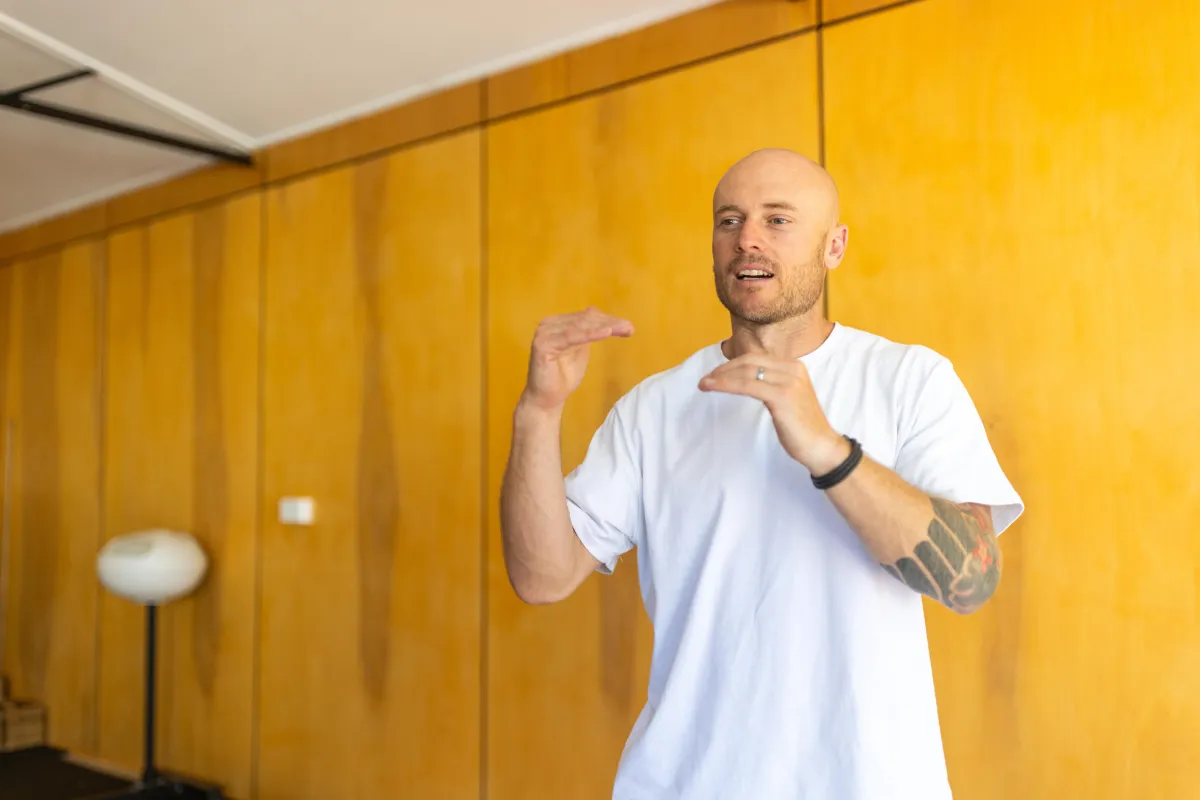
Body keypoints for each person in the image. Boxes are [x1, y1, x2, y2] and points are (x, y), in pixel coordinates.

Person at [499, 148, 1024, 800]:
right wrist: (538, 413)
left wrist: (830, 452)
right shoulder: (652, 409)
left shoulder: (911, 380)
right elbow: (541, 576)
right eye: (729, 220)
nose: (747, 237)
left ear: (834, 247)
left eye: (778, 220)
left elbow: (971, 579)